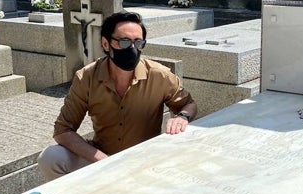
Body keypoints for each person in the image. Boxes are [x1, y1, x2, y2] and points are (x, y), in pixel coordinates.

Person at [37, 11, 197, 181]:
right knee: (50, 157)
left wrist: (183, 117)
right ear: (106, 44)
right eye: (125, 42)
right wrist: (105, 161)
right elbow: (63, 130)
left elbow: (188, 104)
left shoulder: (159, 75)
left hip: (146, 159)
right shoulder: (87, 78)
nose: (132, 48)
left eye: (139, 42)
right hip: (102, 157)